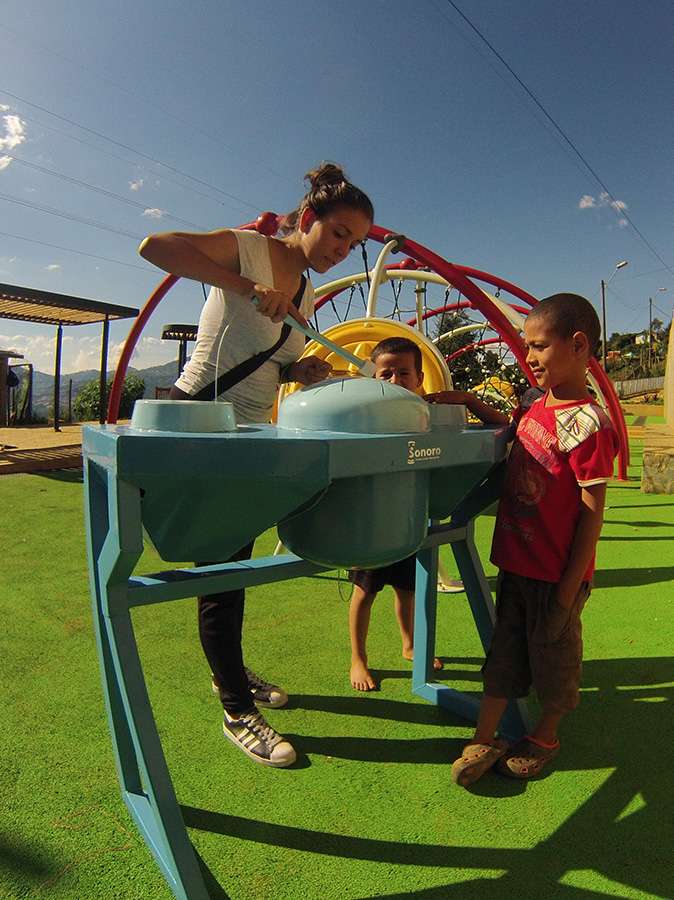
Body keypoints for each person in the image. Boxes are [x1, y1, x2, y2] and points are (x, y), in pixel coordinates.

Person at [139, 163, 374, 767]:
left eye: (355, 244)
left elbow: (266, 360)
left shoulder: (310, 292)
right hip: (200, 426)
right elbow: (155, 247)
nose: (344, 250)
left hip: (246, 434)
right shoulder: (250, 250)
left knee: (232, 567)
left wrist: (300, 372)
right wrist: (246, 287)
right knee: (221, 567)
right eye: (339, 234)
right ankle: (237, 710)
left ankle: (230, 674)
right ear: (307, 220)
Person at [429, 293, 618, 785]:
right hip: (516, 563)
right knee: (505, 653)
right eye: (526, 346)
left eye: (539, 346)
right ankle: (485, 735)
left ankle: (546, 734)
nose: (529, 357)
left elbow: (593, 515)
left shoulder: (590, 424)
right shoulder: (534, 404)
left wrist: (567, 588)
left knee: (554, 657)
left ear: (578, 345)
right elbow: (510, 431)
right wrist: (470, 402)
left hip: (556, 573)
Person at [346, 337, 448, 691]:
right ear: (373, 378)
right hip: (371, 521)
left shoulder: (424, 416)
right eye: (385, 374)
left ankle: (409, 644)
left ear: (420, 378)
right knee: (364, 592)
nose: (395, 381)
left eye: (404, 373)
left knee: (407, 590)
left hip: (406, 518)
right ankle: (358, 658)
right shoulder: (367, 415)